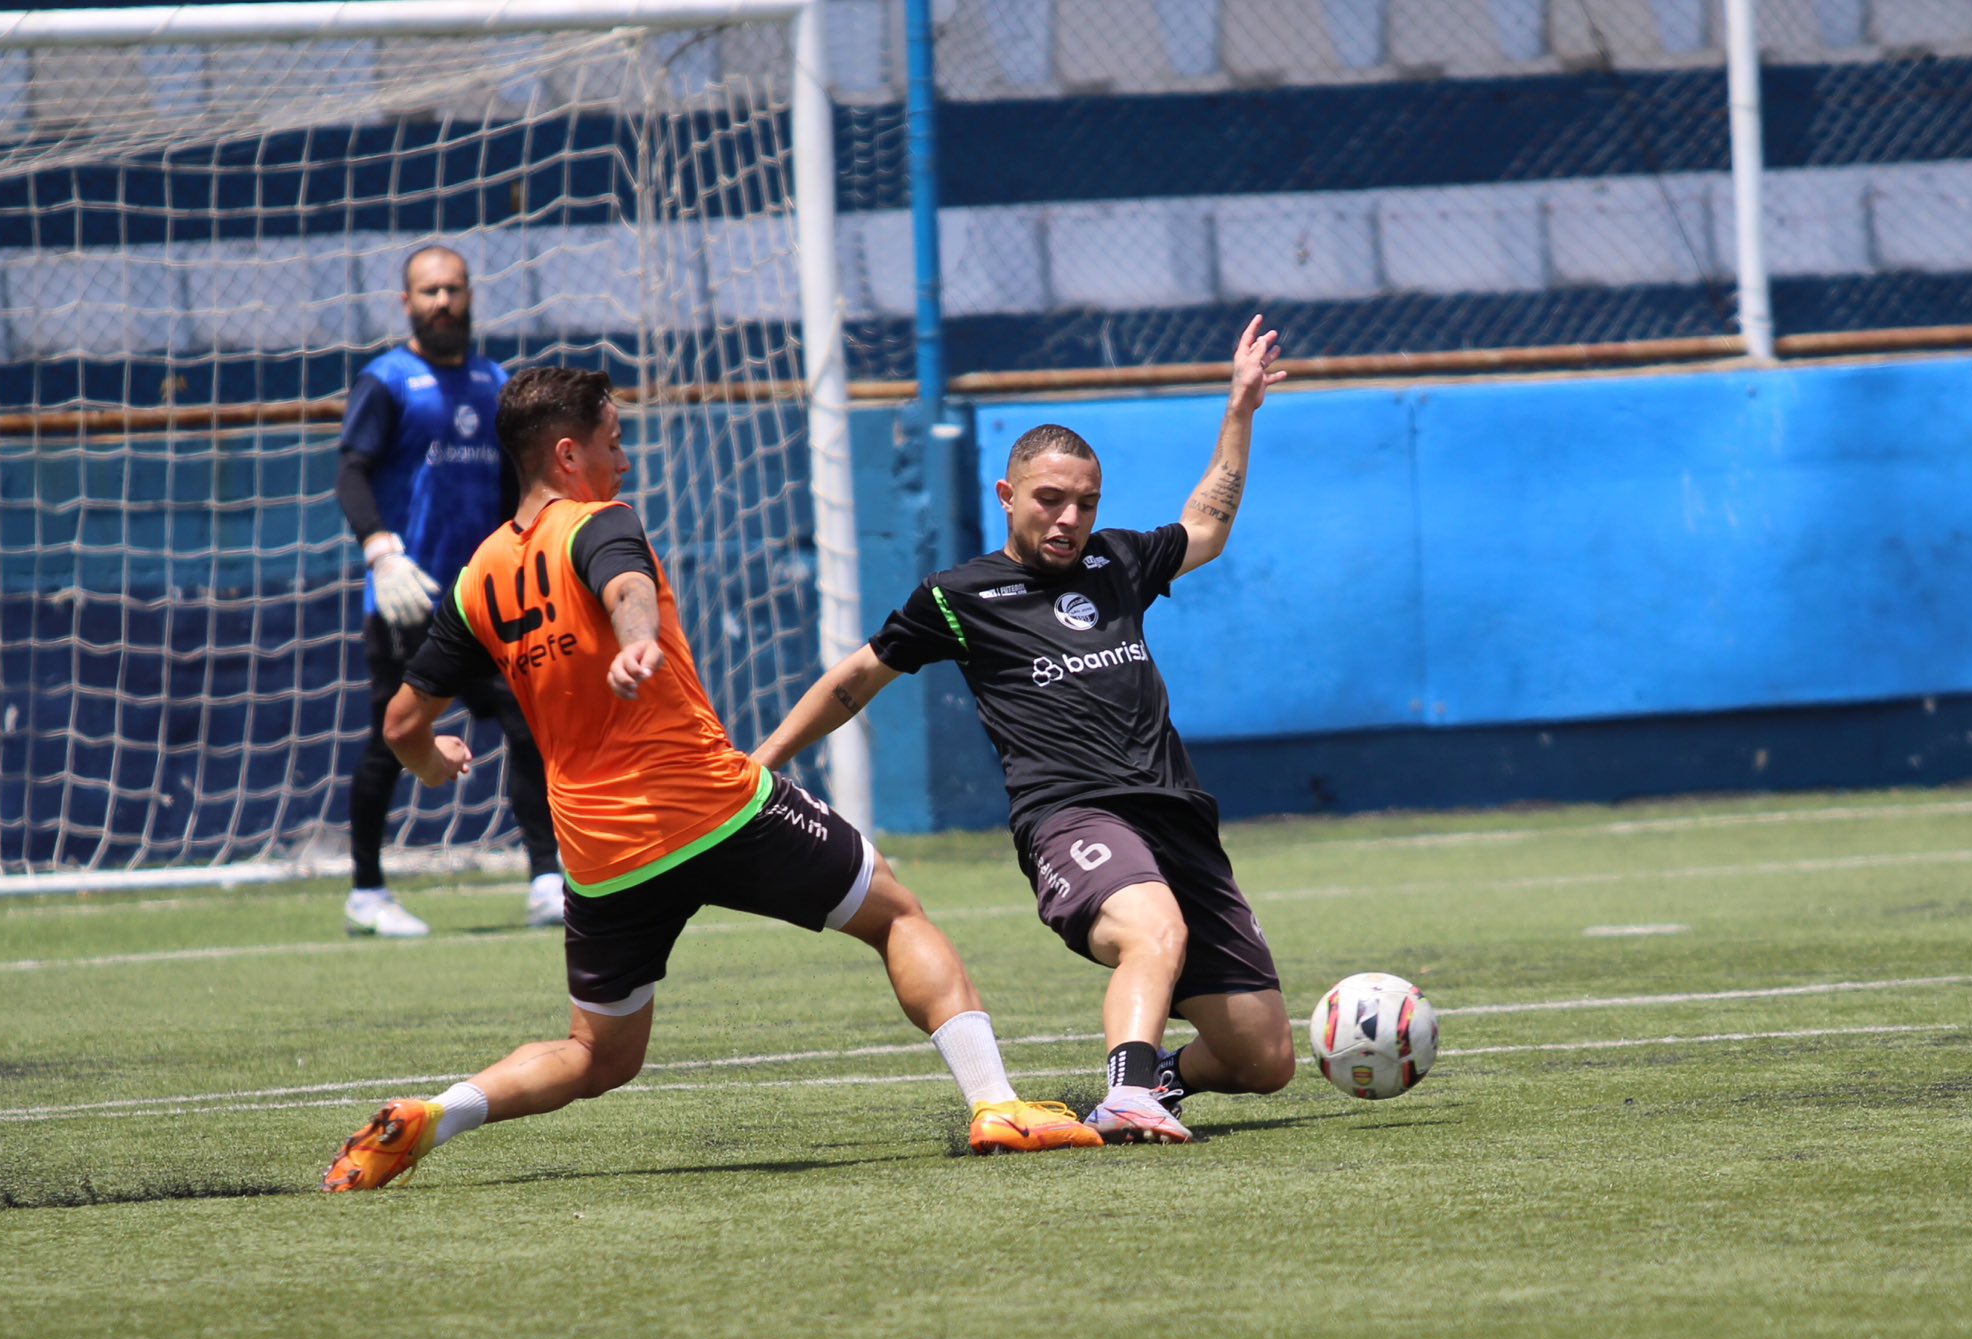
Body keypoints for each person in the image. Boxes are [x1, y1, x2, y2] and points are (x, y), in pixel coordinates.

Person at [321, 367, 1101, 1191]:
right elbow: (624, 581)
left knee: (598, 1055)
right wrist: (634, 637)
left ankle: (438, 1114)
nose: (624, 460)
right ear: (566, 452)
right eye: (613, 443)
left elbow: (403, 723)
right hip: (711, 807)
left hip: (599, 851)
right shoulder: (599, 521)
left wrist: (432, 765)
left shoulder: (480, 576)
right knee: (897, 916)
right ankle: (996, 1104)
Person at [753, 316, 1298, 1145]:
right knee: (1154, 931)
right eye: (1050, 499)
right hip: (1072, 815)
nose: (1069, 517)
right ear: (1007, 497)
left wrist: (1241, 408)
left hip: (1179, 817)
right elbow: (853, 680)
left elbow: (1209, 525)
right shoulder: (959, 597)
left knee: (1263, 1059)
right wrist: (761, 764)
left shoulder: (1119, 564)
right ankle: (1126, 1095)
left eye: (1084, 502)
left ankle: (1162, 1078)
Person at [336, 244, 564, 937]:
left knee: (531, 729)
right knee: (393, 738)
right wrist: (380, 551)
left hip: (488, 602)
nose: (443, 301)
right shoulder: (387, 381)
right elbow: (352, 472)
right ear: (406, 303)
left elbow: (513, 491)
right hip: (407, 602)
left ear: (470, 295)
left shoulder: (496, 383)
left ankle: (547, 879)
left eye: (454, 289)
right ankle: (368, 894)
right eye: (429, 291)